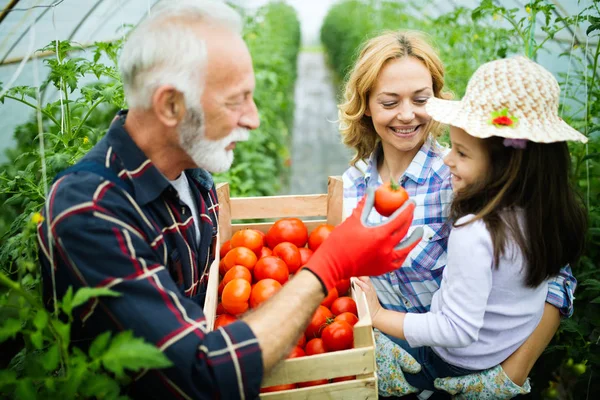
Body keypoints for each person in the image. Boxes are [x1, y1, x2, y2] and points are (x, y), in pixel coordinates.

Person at [36, 1, 422, 399]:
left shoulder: (188, 172)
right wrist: (329, 264)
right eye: (236, 100)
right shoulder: (89, 213)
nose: (253, 118)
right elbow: (198, 378)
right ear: (171, 105)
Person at [339, 31, 578, 398]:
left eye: (420, 99)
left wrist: (511, 374)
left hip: (474, 365)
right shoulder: (352, 187)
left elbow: (554, 277)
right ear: (366, 105)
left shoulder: (468, 177)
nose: (406, 114)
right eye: (389, 102)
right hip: (395, 368)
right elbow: (346, 280)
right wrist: (369, 334)